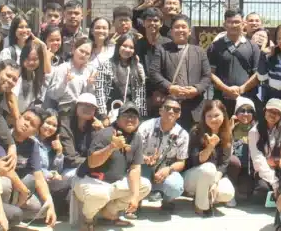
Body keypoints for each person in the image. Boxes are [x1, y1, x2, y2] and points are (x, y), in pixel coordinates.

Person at [71, 102, 152, 231]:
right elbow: (92, 162)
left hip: (114, 183)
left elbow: (135, 169)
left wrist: (135, 197)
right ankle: (88, 219)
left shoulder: (136, 138)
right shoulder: (105, 134)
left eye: (134, 116)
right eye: (126, 115)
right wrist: (112, 147)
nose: (130, 119)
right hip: (89, 181)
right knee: (100, 195)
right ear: (118, 118)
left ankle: (109, 213)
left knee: (144, 186)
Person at [0, 108, 58, 225]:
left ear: (35, 132)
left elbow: (38, 176)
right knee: (5, 183)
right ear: (19, 117)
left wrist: (50, 203)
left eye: (32, 124)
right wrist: (24, 191)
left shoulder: (32, 144)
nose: (26, 124)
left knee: (42, 209)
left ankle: (12, 214)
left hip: (17, 192)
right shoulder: (3, 136)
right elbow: (5, 169)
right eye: (26, 119)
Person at [151, 15, 212, 129]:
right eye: (177, 27)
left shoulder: (199, 51)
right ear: (171, 31)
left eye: (183, 27)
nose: (180, 30)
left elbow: (207, 76)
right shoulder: (162, 49)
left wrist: (196, 89)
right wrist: (169, 87)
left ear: (189, 31)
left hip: (194, 108)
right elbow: (154, 73)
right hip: (170, 106)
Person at [184, 99, 238, 215]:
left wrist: (215, 182)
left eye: (217, 115)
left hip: (213, 175)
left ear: (224, 115)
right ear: (204, 117)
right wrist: (210, 147)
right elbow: (195, 160)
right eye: (209, 116)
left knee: (227, 193)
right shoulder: (196, 131)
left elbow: (224, 163)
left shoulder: (227, 133)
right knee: (209, 167)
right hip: (193, 177)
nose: (213, 119)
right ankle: (201, 206)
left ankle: (207, 197)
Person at [209, 9, 266, 116]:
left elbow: (257, 74)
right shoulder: (215, 46)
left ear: (243, 24)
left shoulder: (253, 46)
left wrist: (241, 89)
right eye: (230, 22)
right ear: (224, 25)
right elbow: (210, 73)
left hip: (246, 99)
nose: (233, 25)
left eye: (237, 22)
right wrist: (226, 89)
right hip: (221, 99)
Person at [137, 97, 190, 210]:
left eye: (176, 110)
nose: (171, 111)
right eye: (167, 108)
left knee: (175, 187)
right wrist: (144, 158)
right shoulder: (146, 126)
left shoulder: (183, 134)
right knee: (140, 180)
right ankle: (136, 202)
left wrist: (168, 170)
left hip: (165, 169)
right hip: (144, 167)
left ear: (179, 114)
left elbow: (181, 162)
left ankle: (167, 201)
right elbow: (133, 152)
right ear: (161, 110)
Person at [249, 98, 281, 193]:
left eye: (277, 113)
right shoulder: (254, 132)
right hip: (264, 170)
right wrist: (275, 183)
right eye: (270, 111)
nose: (273, 115)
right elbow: (258, 161)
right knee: (263, 190)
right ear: (265, 111)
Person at [95, 32, 148, 118]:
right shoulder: (106, 65)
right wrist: (103, 115)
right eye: (124, 46)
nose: (127, 49)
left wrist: (141, 116)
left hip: (131, 114)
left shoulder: (138, 67)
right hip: (110, 112)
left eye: (131, 47)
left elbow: (140, 94)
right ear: (118, 46)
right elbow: (99, 91)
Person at [58, 93, 104, 180]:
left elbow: (102, 151)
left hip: (89, 167)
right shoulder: (65, 125)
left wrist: (102, 132)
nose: (88, 108)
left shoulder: (95, 127)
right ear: (76, 106)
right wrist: (95, 162)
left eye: (92, 106)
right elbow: (71, 158)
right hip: (68, 169)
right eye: (85, 105)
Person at [45, 39, 97, 114]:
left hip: (83, 111)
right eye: (81, 51)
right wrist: (64, 83)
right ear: (73, 50)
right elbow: (53, 95)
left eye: (87, 53)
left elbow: (90, 97)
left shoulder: (89, 72)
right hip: (65, 110)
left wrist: (90, 85)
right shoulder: (63, 68)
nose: (83, 55)